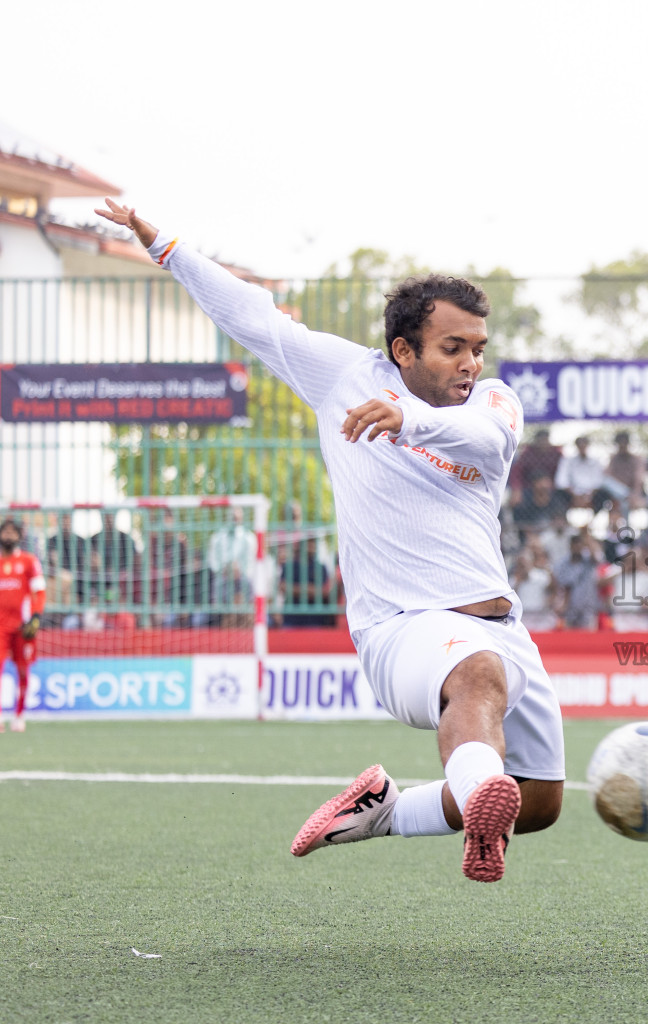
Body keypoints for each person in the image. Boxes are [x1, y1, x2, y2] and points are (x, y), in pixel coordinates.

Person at [98, 199, 563, 884]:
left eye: (477, 349)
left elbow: (483, 438)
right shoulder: (343, 377)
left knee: (541, 801)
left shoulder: (493, 403)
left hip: (501, 625)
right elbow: (251, 315)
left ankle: (385, 809)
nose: (470, 363)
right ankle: (477, 819)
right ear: (403, 351)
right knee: (475, 679)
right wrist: (165, 245)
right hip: (403, 626)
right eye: (452, 347)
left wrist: (408, 419)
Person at [0, 519, 46, 733]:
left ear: (19, 536)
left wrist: (35, 616)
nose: (8, 535)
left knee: (22, 670)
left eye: (12, 532)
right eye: (5, 532)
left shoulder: (28, 561)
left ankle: (19, 715)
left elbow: (40, 591)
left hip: (23, 626)